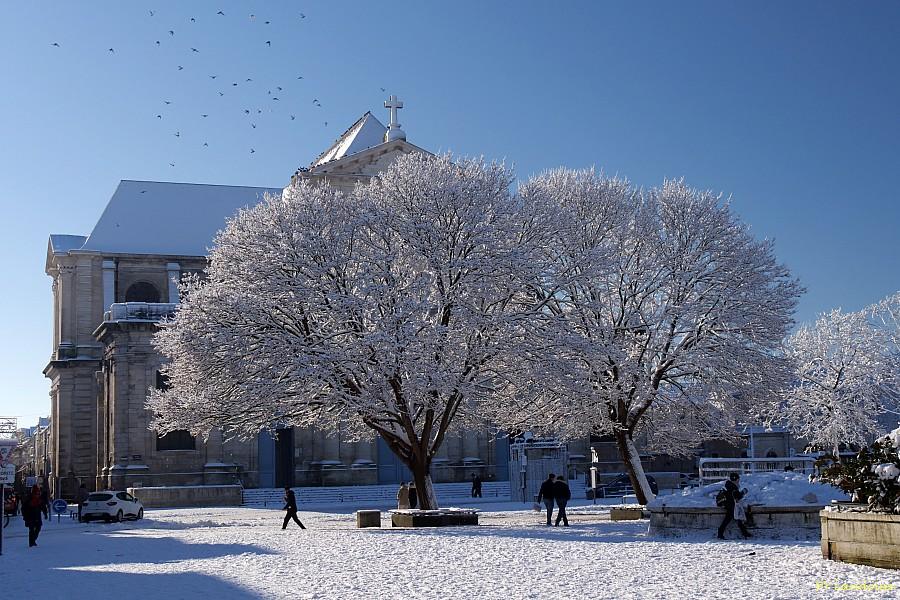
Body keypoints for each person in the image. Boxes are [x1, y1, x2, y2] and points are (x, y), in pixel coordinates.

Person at [717, 473, 751, 539]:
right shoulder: (733, 487)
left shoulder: (729, 485)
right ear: (735, 479)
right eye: (738, 479)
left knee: (731, 519)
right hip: (731, 506)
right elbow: (738, 496)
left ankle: (720, 533)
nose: (739, 480)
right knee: (737, 519)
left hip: (729, 505)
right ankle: (745, 533)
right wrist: (744, 492)